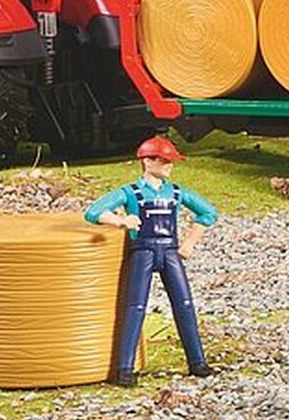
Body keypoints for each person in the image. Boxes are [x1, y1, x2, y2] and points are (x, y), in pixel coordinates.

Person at [84, 135, 218, 387]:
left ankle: (197, 362)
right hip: (142, 251)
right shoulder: (130, 192)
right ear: (147, 162)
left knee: (185, 304)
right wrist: (120, 220)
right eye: (164, 160)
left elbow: (209, 212)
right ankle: (125, 369)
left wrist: (189, 242)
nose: (169, 165)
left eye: (171, 161)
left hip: (170, 252)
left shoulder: (176, 192)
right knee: (135, 308)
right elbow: (93, 212)